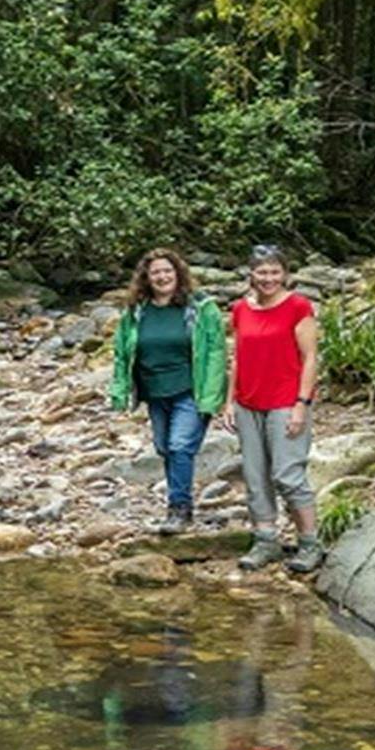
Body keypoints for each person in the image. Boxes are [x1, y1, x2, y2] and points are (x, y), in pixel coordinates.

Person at [109, 248, 229, 534]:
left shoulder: (199, 308)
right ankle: (178, 505)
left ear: (178, 274)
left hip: (190, 389)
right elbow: (121, 352)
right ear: (146, 278)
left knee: (179, 446)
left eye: (167, 271)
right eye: (156, 273)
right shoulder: (136, 312)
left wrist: (213, 395)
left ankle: (179, 509)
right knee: (164, 448)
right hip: (155, 391)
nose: (162, 277)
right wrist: (120, 389)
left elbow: (215, 351)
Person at [224, 244, 322, 573]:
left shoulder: (298, 306)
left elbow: (310, 357)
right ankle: (265, 540)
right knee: (255, 476)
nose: (268, 279)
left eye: (274, 272)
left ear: (285, 274)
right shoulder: (240, 309)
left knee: (287, 474)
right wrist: (229, 400)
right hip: (248, 402)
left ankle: (310, 543)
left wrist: (301, 404)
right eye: (262, 272)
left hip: (285, 401)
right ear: (251, 274)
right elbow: (238, 357)